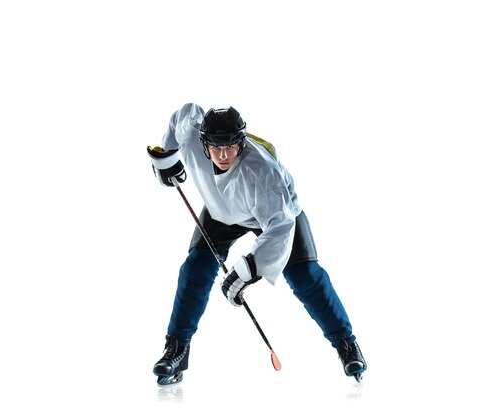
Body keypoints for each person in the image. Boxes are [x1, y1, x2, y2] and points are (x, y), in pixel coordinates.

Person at [146, 103, 367, 386]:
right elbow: (184, 114)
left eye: (231, 146)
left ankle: (346, 345)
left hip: (278, 216)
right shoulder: (191, 135)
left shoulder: (263, 173)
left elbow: (280, 228)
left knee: (306, 278)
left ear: (241, 142)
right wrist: (167, 155)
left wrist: (247, 272)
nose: (223, 155)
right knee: (194, 270)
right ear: (203, 142)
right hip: (221, 212)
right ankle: (176, 349)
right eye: (215, 147)